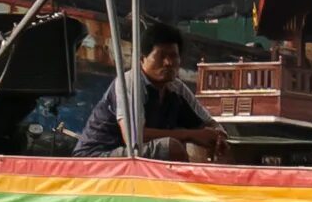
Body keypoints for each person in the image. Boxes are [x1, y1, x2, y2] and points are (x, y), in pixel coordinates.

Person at [74, 22, 228, 160]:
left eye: (173, 56)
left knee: (216, 148)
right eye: (161, 56)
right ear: (142, 59)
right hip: (96, 158)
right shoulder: (130, 82)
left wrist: (217, 136)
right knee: (170, 147)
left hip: (132, 158)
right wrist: (191, 135)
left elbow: (209, 124)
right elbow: (133, 137)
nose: (168, 63)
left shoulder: (177, 88)